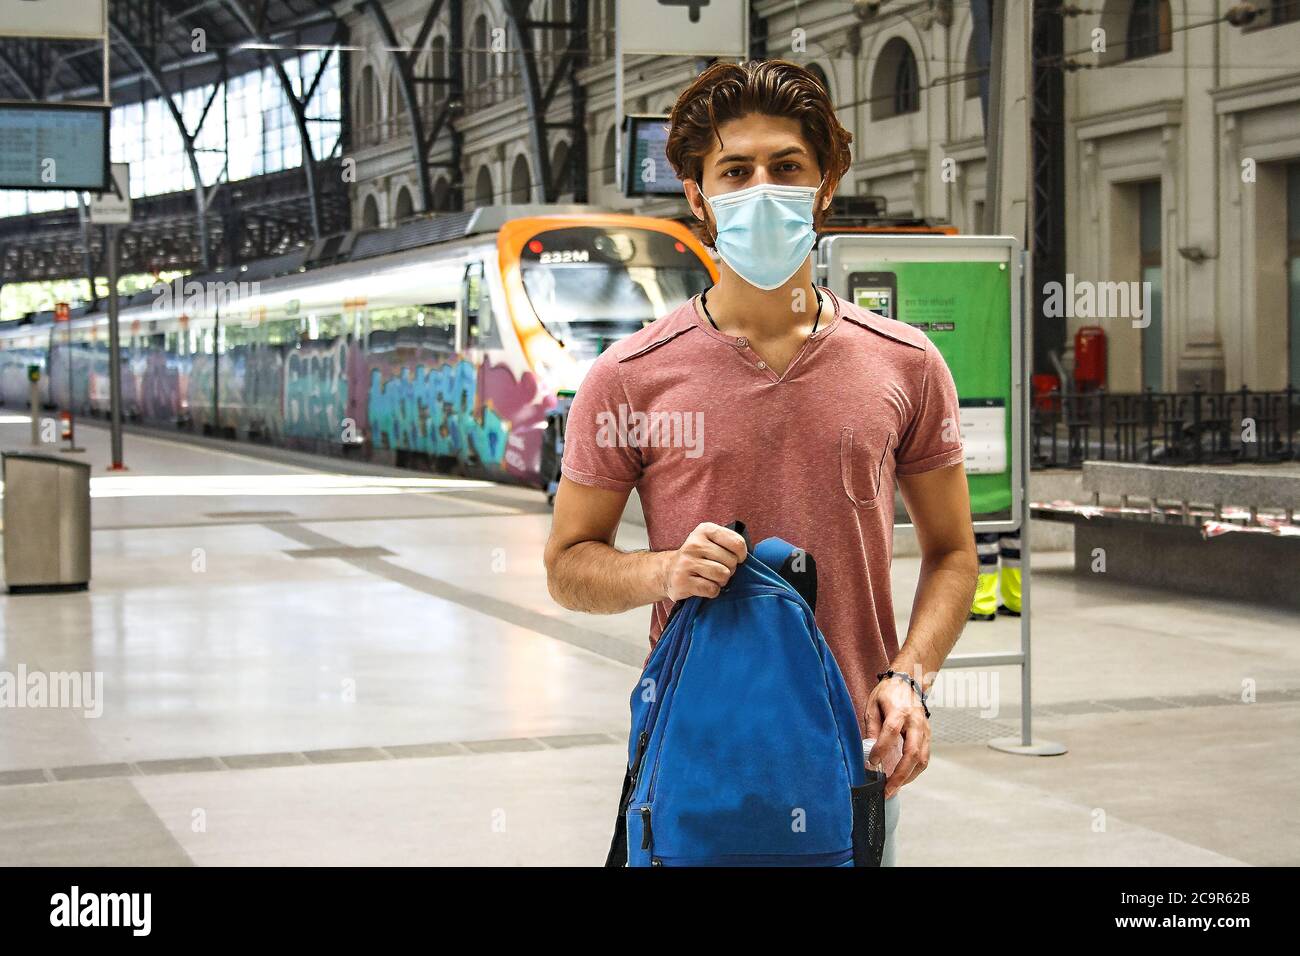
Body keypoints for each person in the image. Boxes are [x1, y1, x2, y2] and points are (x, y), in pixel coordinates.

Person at [543, 59, 977, 866]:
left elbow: (954, 554)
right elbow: (568, 565)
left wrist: (910, 678)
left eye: (787, 168)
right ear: (698, 196)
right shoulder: (631, 375)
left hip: (854, 757)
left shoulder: (906, 365)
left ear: (825, 186)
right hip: (697, 760)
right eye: (735, 171)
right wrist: (664, 570)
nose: (763, 188)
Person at [970, 530, 1022, 621]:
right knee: (1013, 544)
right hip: (1015, 515)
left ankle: (983, 606)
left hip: (987, 516)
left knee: (985, 544)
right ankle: (1017, 602)